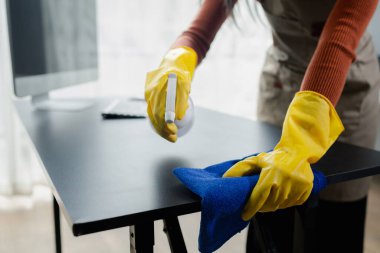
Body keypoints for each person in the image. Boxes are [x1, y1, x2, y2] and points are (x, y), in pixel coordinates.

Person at [144, 0, 380, 252]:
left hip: (346, 90)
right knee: (268, 206)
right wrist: (178, 60)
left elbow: (341, 35)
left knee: (333, 225)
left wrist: (301, 137)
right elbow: (199, 32)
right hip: (281, 82)